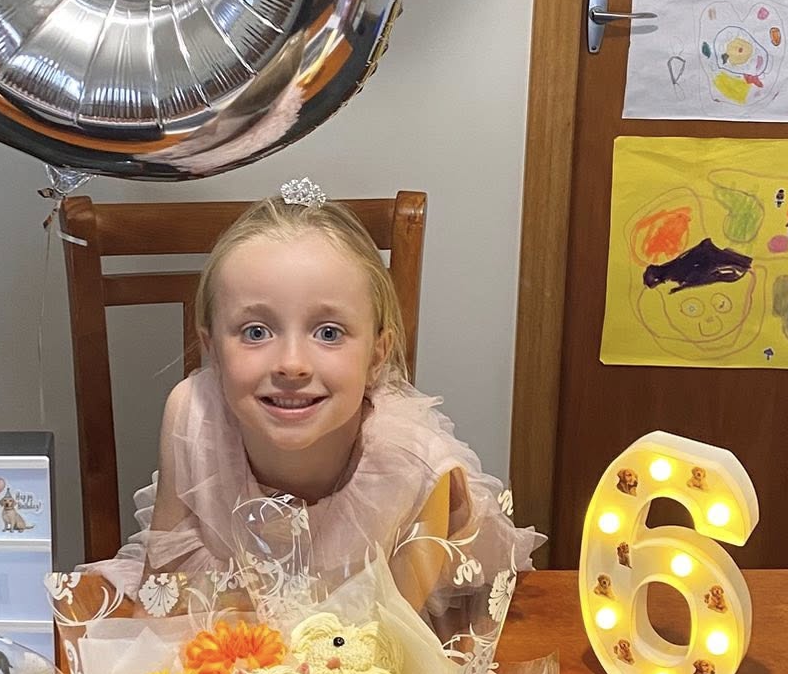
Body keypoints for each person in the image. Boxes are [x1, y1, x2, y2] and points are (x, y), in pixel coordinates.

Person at [84, 189, 542, 631]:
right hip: (225, 657)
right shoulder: (192, 413)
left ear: (378, 354)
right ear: (211, 349)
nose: (291, 365)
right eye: (256, 331)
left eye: (328, 333)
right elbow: (164, 596)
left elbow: (394, 653)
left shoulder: (414, 466)